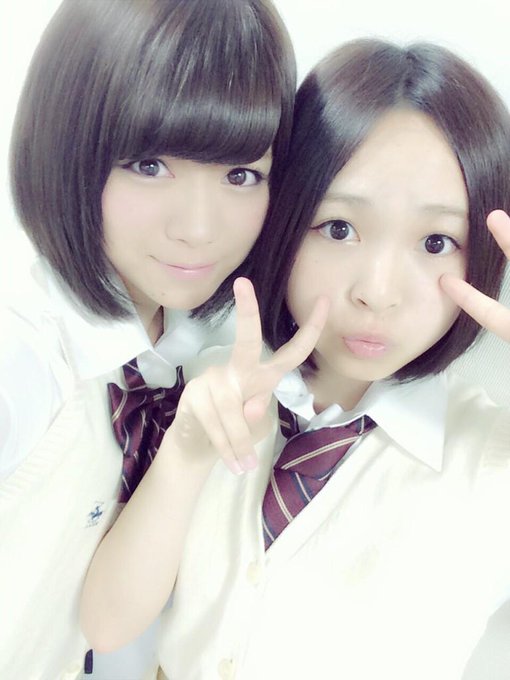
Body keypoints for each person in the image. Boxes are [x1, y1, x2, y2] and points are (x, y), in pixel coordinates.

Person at [80, 38, 510, 680]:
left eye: (436, 242)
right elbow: (107, 627)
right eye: (339, 229)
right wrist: (187, 452)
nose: (377, 292)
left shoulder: (492, 460)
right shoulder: (206, 388)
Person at [0, 1, 296, 678]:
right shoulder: (21, 356)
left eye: (240, 175)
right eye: (149, 164)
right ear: (65, 146)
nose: (198, 228)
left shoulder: (186, 350)